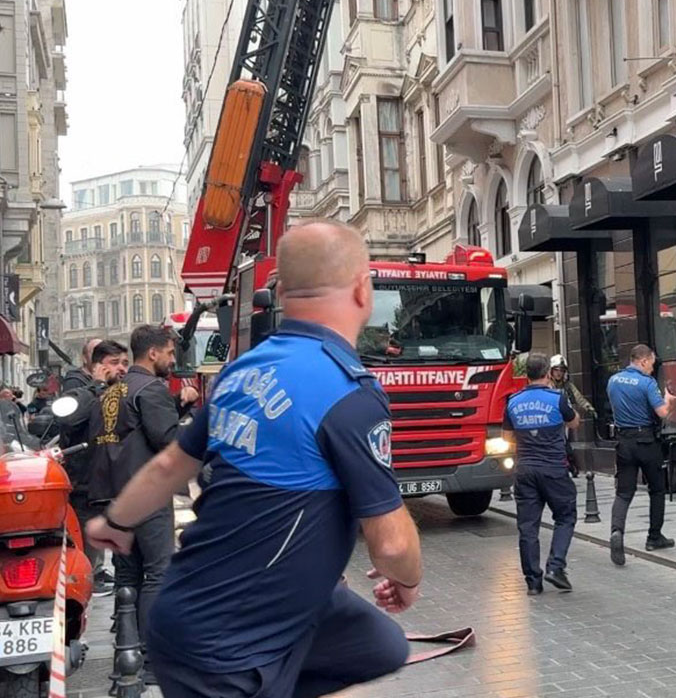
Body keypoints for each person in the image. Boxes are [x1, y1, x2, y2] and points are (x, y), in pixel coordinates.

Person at [86, 220, 421, 698]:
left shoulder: (241, 372)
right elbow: (391, 544)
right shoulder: (347, 391)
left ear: (280, 293)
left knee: (380, 645)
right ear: (363, 290)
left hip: (194, 610)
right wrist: (407, 579)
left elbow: (168, 466)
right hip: (226, 648)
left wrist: (116, 522)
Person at [85, 326, 188, 680]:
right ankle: (152, 659)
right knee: (158, 572)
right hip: (145, 494)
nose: (172, 360)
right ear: (153, 353)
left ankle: (126, 653)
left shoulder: (111, 392)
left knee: (128, 575)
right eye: (170, 353)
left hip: (112, 495)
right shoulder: (151, 388)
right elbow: (168, 439)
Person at [504, 353, 579, 595]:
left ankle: (533, 582)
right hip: (554, 468)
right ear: (547, 373)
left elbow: (507, 437)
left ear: (526, 374)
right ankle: (555, 567)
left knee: (528, 527)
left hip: (525, 470)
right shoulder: (557, 398)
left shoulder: (513, 401)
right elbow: (574, 422)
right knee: (565, 516)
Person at [606, 344, 676, 566]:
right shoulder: (647, 383)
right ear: (644, 361)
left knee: (623, 492)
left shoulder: (613, 381)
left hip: (623, 441)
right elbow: (662, 412)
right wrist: (671, 402)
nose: (652, 369)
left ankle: (617, 531)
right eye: (652, 364)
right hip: (646, 442)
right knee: (657, 489)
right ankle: (654, 537)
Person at [67, 339, 129, 597]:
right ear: (96, 366)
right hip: (86, 487)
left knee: (124, 561)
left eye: (125, 363)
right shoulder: (80, 391)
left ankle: (123, 613)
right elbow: (70, 420)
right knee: (85, 560)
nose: (121, 368)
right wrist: (97, 387)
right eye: (114, 363)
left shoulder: (124, 393)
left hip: (115, 487)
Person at [549, 354, 595, 472]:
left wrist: (589, 408)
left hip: (565, 420)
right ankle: (569, 464)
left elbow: (578, 397)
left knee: (564, 441)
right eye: (556, 370)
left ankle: (569, 464)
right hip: (551, 420)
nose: (559, 373)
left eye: (561, 370)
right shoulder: (548, 386)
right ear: (551, 371)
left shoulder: (567, 386)